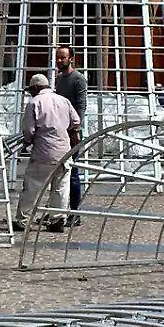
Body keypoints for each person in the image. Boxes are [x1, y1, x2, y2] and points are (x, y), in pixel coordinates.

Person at [16, 73, 81, 231]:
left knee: (32, 187)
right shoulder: (63, 101)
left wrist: (27, 142)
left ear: (36, 88)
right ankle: (57, 219)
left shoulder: (34, 102)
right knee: (60, 188)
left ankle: (22, 220)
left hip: (43, 153)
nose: (31, 92)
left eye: (31, 89)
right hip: (64, 152)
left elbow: (29, 130)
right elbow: (76, 121)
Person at [53, 47, 89, 215]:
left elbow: (81, 105)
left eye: (63, 57)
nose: (59, 61)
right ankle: (59, 210)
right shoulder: (59, 79)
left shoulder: (78, 79)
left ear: (71, 59)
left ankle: (75, 212)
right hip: (59, 130)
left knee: (73, 172)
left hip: (72, 131)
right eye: (58, 58)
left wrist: (76, 127)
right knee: (59, 172)